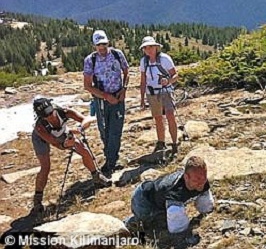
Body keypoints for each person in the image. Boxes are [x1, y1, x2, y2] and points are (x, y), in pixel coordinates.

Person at [31, 97, 111, 213]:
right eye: (45, 115)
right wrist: (65, 144)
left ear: (53, 107)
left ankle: (97, 176)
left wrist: (80, 128)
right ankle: (37, 200)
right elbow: (55, 143)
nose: (50, 116)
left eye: (50, 112)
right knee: (45, 167)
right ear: (40, 116)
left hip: (61, 133)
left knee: (83, 150)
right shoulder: (40, 127)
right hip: (41, 139)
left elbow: (85, 119)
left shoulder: (64, 112)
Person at [125, 155, 214, 234]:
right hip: (144, 199)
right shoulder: (174, 191)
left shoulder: (201, 180)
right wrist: (184, 231)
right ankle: (125, 224)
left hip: (161, 198)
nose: (201, 183)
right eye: (196, 180)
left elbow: (205, 199)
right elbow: (176, 227)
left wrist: (206, 211)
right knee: (149, 225)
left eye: (204, 178)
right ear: (186, 177)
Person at [83, 30, 130, 176]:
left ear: (108, 42)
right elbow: (88, 85)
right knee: (104, 130)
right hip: (101, 100)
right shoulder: (90, 60)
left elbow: (126, 71)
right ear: (94, 45)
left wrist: (124, 89)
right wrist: (105, 96)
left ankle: (110, 162)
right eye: (99, 45)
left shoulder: (117, 54)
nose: (102, 47)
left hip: (118, 96)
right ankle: (111, 157)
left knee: (116, 129)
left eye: (104, 44)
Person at [139, 36, 179, 154]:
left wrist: (168, 81)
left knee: (170, 115)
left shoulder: (165, 59)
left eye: (151, 47)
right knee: (158, 118)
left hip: (166, 91)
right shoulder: (144, 62)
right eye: (146, 48)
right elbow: (143, 81)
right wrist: (142, 99)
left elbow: (175, 75)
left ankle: (174, 143)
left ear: (156, 47)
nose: (149, 49)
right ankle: (161, 142)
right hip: (152, 93)